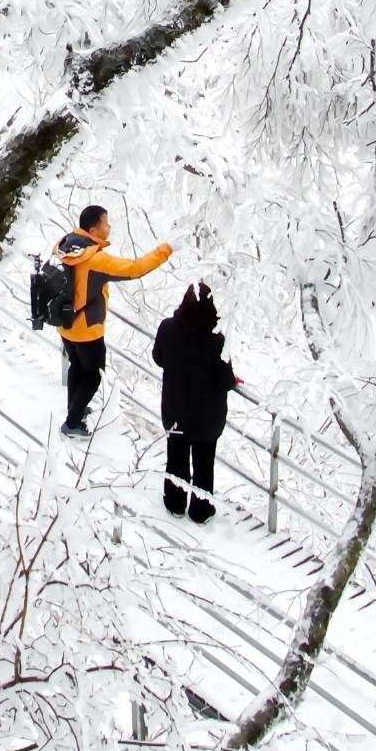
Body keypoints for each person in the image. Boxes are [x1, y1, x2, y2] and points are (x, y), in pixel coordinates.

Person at [50, 202, 170, 436]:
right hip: (87, 330)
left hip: (65, 322)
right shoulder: (95, 260)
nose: (110, 227)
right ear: (93, 231)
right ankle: (72, 423)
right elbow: (135, 268)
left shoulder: (65, 244)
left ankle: (76, 409)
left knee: (77, 366)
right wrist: (167, 249)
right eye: (106, 223)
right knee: (94, 376)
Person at [152, 283, 239, 519]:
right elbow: (224, 381)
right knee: (203, 464)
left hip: (175, 411)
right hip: (206, 419)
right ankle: (200, 510)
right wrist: (233, 380)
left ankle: (174, 502)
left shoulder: (167, 328)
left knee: (176, 458)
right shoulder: (218, 341)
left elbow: (158, 358)